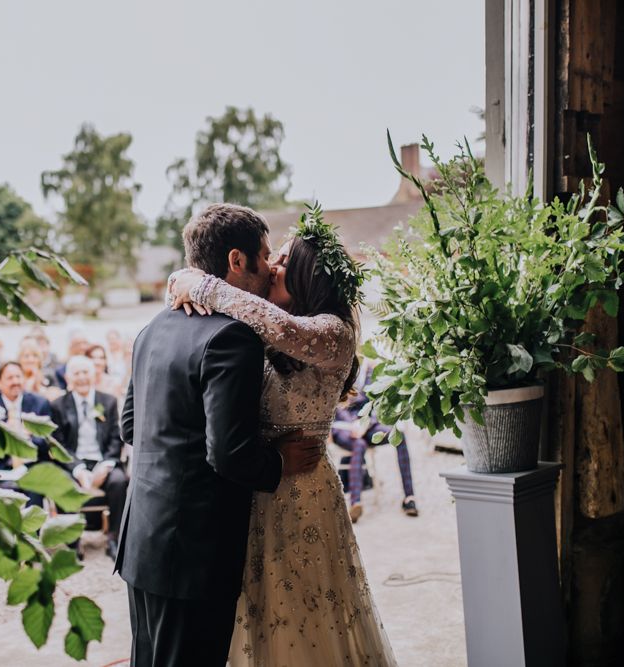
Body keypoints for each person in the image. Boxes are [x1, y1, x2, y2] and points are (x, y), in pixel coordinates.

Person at [169, 204, 398, 666]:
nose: (271, 266)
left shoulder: (332, 334)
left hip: (303, 491)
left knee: (309, 615)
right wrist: (182, 281)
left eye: (284, 262)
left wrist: (198, 281)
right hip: (256, 488)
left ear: (308, 279)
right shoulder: (261, 328)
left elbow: (283, 327)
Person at [115, 203, 323, 667]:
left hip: (142, 540)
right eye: (265, 255)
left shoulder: (153, 327)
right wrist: (282, 461)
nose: (271, 267)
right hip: (193, 552)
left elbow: (130, 426)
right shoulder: (232, 337)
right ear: (236, 260)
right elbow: (229, 455)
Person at [50, 355, 128, 560]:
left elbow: (115, 437)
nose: (82, 377)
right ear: (68, 378)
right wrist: (78, 470)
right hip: (73, 462)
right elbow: (59, 445)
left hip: (102, 460)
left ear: (93, 375)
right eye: (77, 373)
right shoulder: (58, 405)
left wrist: (106, 465)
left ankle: (113, 537)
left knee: (120, 481)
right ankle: (72, 540)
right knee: (61, 483)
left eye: (86, 372)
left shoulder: (107, 401)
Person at [331, 364, 418, 522]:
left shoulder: (369, 372)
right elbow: (335, 405)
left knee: (398, 435)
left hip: (366, 425)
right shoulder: (337, 366)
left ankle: (409, 497)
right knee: (359, 445)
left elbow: (376, 403)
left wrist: (366, 423)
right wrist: (353, 424)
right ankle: (355, 503)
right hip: (343, 427)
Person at [0, 361, 51, 506]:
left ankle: (33, 529)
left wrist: (29, 437)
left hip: (31, 467)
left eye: (18, 377)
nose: (15, 382)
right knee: (4, 495)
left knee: (35, 489)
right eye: (10, 378)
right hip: (0, 469)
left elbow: (47, 441)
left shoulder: (39, 403)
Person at [18, 338, 65, 402]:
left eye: (35, 356)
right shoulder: (16, 378)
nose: (31, 360)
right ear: (20, 359)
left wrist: (39, 386)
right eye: (26, 356)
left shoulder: (49, 376)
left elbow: (55, 398)